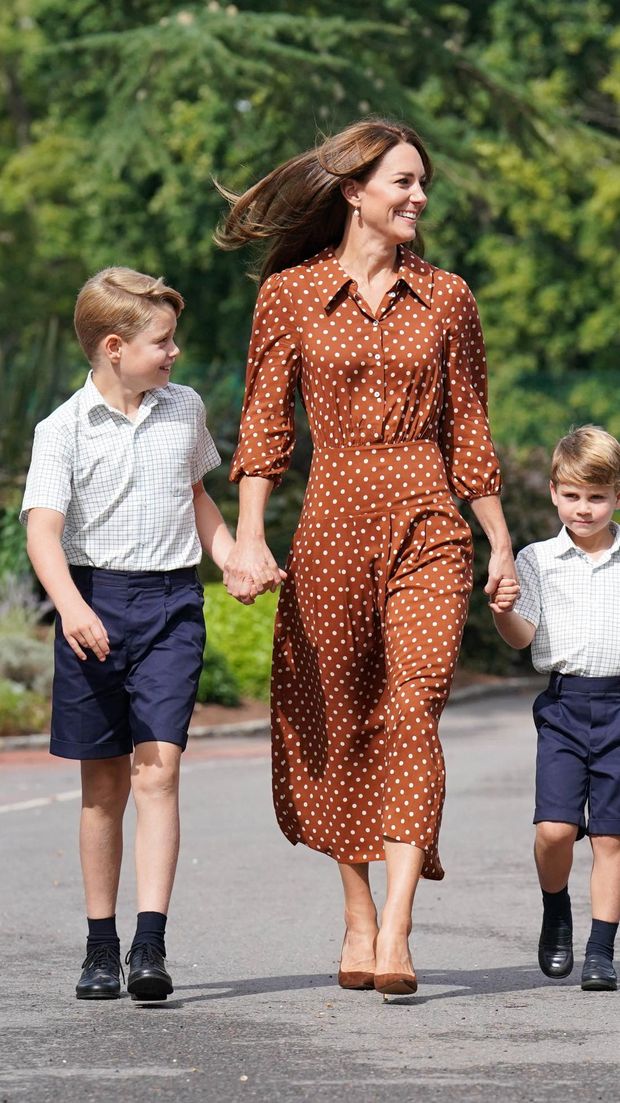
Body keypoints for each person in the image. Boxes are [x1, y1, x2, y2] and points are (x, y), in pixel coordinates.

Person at [217, 117, 516, 996]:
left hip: (429, 523)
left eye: (423, 184)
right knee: (338, 716)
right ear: (354, 192)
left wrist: (499, 540)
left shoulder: (449, 296)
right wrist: (248, 535)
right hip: (332, 525)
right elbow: (263, 429)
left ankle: (396, 927)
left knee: (414, 710)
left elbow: (470, 429)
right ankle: (356, 912)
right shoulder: (291, 295)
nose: (419, 198)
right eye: (403, 182)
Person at [21, 267, 233, 1001]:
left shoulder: (185, 407)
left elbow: (198, 496)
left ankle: (149, 943)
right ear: (115, 347)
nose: (174, 353)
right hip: (93, 605)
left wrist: (232, 555)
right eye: (162, 341)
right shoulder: (62, 429)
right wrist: (71, 607)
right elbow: (42, 533)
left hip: (172, 604)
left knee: (159, 771)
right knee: (104, 786)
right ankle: (99, 944)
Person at [492, 426, 620, 991]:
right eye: (572, 495)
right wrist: (502, 609)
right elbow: (522, 637)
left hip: (619, 705)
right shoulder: (537, 560)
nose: (583, 508)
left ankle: (601, 951)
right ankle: (556, 909)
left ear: (616, 496)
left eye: (597, 497)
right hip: (565, 707)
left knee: (612, 837)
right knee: (554, 830)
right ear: (553, 492)